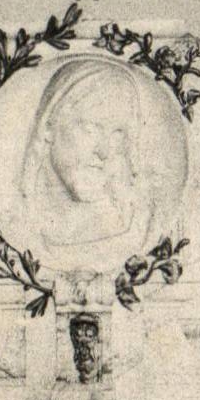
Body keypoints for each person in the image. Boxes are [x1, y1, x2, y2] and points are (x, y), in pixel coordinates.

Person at [19, 59, 154, 262]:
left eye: (117, 134)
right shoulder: (17, 221)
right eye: (90, 129)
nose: (104, 152)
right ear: (48, 126)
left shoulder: (136, 231)